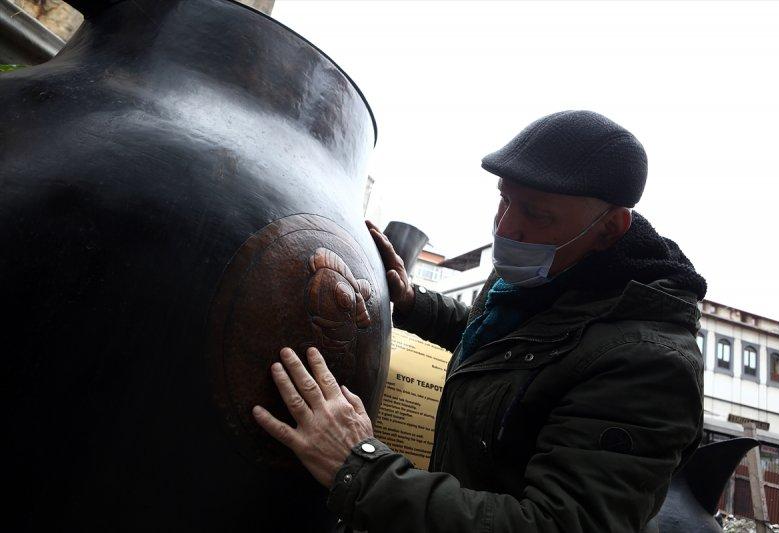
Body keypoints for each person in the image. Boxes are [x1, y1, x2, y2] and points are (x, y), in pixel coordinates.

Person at [252, 110, 706, 532]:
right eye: (505, 200)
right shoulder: (549, 275)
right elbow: (507, 347)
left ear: (610, 229)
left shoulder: (648, 365)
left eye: (536, 214)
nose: (506, 228)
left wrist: (360, 469)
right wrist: (413, 304)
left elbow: (555, 523)